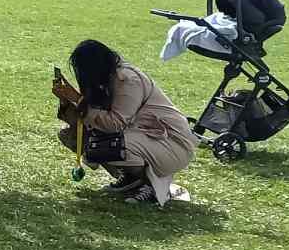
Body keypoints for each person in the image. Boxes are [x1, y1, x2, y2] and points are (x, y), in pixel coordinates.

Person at [55, 40, 196, 206]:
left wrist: (78, 100)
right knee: (70, 135)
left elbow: (115, 124)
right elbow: (85, 122)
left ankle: (147, 186)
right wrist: (66, 101)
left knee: (106, 144)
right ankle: (131, 179)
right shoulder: (106, 80)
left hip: (172, 143)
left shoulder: (128, 79)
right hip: (147, 137)